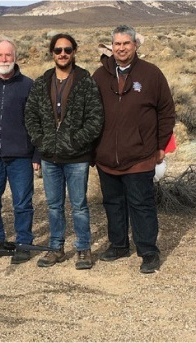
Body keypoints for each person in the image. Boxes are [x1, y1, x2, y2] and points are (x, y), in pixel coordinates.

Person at [92, 25, 176, 274]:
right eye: (117, 44)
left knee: (142, 203)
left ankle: (148, 251)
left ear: (135, 45)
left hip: (140, 154)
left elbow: (166, 112)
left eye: (126, 43)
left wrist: (161, 145)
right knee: (113, 203)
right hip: (106, 155)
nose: (121, 48)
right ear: (111, 47)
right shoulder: (99, 76)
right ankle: (118, 245)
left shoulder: (151, 74)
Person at [25, 33, 104, 270]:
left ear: (74, 52)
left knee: (79, 205)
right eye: (58, 50)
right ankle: (55, 248)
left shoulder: (85, 81)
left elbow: (95, 118)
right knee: (53, 205)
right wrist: (42, 141)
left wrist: (75, 141)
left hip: (77, 157)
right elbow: (30, 115)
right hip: (50, 157)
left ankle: (83, 249)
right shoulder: (42, 82)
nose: (62, 54)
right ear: (52, 53)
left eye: (67, 50)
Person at [0, 37, 40, 264]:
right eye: (0, 55)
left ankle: (23, 242)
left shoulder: (28, 85)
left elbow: (36, 122)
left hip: (21, 156)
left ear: (16, 58)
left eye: (8, 55)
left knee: (22, 203)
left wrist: (36, 154)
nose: (4, 59)